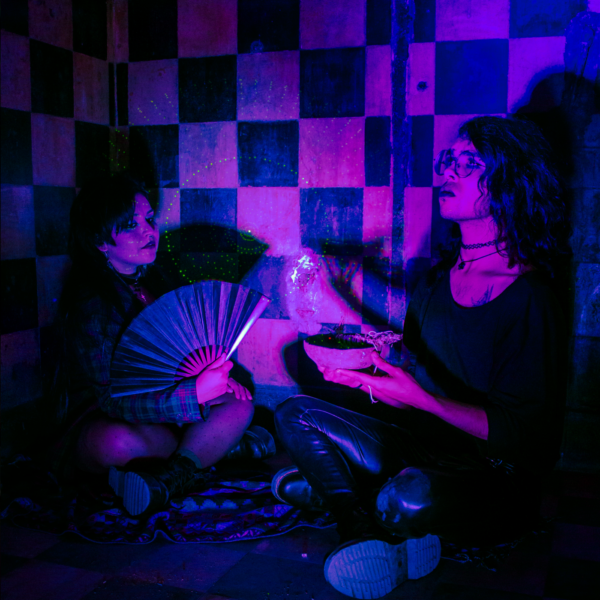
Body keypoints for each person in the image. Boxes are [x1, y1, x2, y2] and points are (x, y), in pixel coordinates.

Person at [272, 116, 569, 599]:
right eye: (448, 160)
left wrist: (419, 399)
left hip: (494, 477)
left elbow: (527, 438)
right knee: (293, 413)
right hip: (422, 447)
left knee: (408, 497)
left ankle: (350, 496)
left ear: (509, 182)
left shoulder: (531, 297)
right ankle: (359, 528)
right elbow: (413, 387)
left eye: (468, 163)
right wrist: (367, 377)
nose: (447, 171)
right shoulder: (435, 282)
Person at [51, 173, 275, 516]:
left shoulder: (154, 278)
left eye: (149, 219)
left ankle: (169, 479)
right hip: (108, 418)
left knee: (239, 404)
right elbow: (111, 401)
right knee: (119, 442)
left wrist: (214, 378)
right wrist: (195, 395)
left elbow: (179, 353)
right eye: (131, 224)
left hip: (166, 411)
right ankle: (211, 452)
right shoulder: (92, 304)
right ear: (99, 241)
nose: (149, 232)